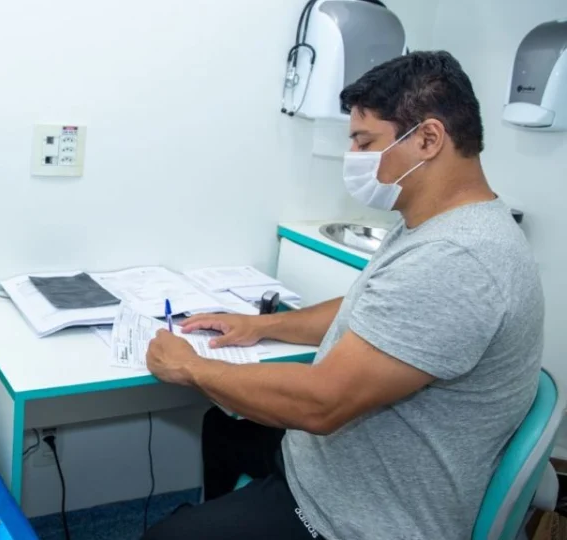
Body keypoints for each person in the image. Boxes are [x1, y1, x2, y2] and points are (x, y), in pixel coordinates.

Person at [142, 51, 544, 540]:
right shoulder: (435, 225)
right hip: (335, 464)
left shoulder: (458, 260)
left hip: (359, 517)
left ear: (429, 138)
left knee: (168, 536)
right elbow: (368, 309)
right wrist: (261, 325)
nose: (354, 157)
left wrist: (191, 367)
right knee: (223, 429)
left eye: (364, 141)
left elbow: (322, 406)